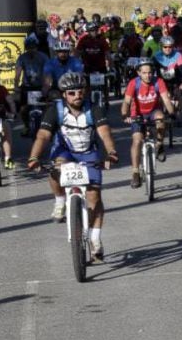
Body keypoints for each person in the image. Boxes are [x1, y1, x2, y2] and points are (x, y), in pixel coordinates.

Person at [26, 72, 119, 257]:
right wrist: (33, 157)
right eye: (71, 93)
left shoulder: (94, 108)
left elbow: (105, 133)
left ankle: (94, 237)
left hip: (88, 152)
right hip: (65, 151)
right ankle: (60, 200)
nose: (77, 95)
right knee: (55, 167)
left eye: (80, 91)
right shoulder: (55, 110)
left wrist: (111, 153)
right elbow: (43, 135)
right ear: (63, 94)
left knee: (94, 198)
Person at [121, 58, 176, 187]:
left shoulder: (159, 82)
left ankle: (159, 144)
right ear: (139, 73)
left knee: (161, 118)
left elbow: (166, 100)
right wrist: (125, 115)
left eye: (150, 72)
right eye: (144, 73)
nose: (148, 75)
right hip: (138, 115)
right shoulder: (133, 83)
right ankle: (135, 173)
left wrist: (172, 113)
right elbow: (126, 102)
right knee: (137, 141)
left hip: (153, 112)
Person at [14, 34, 49, 135]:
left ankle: (46, 126)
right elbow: (18, 74)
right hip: (27, 87)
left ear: (36, 47)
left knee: (46, 107)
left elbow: (47, 72)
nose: (31, 49)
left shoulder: (43, 57)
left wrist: (46, 86)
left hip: (40, 86)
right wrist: (16, 86)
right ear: (26, 48)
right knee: (23, 109)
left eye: (33, 47)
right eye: (29, 47)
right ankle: (26, 126)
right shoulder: (22, 58)